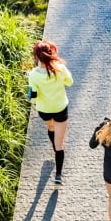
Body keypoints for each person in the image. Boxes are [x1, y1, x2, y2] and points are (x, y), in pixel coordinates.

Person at [28, 39, 73, 184]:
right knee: (60, 145)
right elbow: (70, 82)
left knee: (50, 127)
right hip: (60, 108)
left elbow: (33, 97)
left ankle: (53, 144)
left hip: (44, 110)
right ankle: (58, 175)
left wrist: (37, 102)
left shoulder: (33, 75)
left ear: (36, 57)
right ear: (50, 54)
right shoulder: (60, 68)